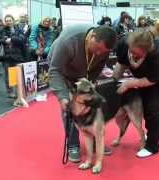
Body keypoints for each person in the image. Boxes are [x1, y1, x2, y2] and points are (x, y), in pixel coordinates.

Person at [48, 25, 117, 163]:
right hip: (64, 72)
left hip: (84, 74)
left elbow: (98, 66)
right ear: (92, 36)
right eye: (97, 49)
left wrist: (90, 84)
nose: (98, 53)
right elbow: (55, 71)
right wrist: (62, 95)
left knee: (90, 104)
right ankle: (73, 144)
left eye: (102, 51)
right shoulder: (68, 42)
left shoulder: (103, 48)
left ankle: (93, 139)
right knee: (69, 107)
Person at [113, 31, 159, 158]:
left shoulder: (158, 54)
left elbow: (150, 80)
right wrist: (113, 82)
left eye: (136, 53)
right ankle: (149, 134)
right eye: (131, 51)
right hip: (145, 73)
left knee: (154, 108)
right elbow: (121, 64)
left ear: (146, 51)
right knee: (143, 102)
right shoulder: (124, 43)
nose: (132, 54)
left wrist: (128, 84)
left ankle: (152, 146)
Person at [1, 14, 29, 98]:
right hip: (6, 56)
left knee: (17, 74)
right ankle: (10, 91)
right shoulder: (2, 30)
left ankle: (18, 91)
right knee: (8, 75)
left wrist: (12, 39)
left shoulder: (18, 29)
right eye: (6, 20)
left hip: (17, 55)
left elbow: (22, 40)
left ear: (13, 20)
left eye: (10, 20)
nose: (8, 22)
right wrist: (4, 40)